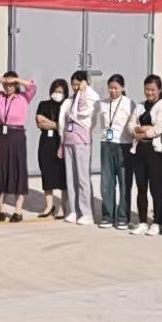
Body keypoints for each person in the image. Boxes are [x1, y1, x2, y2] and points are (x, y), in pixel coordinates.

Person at [0, 71, 38, 223]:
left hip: (17, 135)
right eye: (6, 84)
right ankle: (2, 209)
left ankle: (18, 210)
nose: (8, 87)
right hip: (2, 135)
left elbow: (32, 87)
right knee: (1, 169)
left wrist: (16, 79)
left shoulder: (23, 97)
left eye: (11, 85)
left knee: (18, 170)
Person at [132, 74, 162, 234]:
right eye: (147, 89)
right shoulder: (140, 106)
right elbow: (131, 125)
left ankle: (156, 222)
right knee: (141, 186)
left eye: (153, 89)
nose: (149, 92)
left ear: (159, 89)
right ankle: (142, 221)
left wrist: (143, 133)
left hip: (155, 152)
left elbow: (159, 128)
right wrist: (139, 129)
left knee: (156, 188)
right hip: (140, 150)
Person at [96, 74, 137, 229]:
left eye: (116, 88)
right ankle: (107, 215)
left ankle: (123, 216)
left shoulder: (129, 103)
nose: (113, 91)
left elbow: (133, 124)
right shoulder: (103, 104)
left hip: (123, 145)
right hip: (106, 144)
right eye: (110, 88)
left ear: (122, 88)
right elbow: (101, 124)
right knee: (106, 182)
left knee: (124, 182)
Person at [59, 70, 99, 225]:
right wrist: (62, 143)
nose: (75, 87)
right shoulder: (70, 100)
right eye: (73, 84)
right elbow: (64, 121)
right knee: (70, 178)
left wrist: (83, 91)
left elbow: (84, 112)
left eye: (78, 84)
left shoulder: (91, 96)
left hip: (82, 140)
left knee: (83, 178)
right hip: (68, 140)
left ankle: (87, 212)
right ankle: (74, 210)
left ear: (85, 82)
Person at [35, 78, 69, 218]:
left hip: (61, 142)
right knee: (47, 173)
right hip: (46, 142)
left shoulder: (67, 106)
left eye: (60, 91)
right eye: (55, 91)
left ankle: (62, 206)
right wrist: (57, 125)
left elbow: (66, 125)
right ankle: (49, 206)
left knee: (62, 175)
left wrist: (48, 123)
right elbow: (39, 121)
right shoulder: (43, 104)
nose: (57, 94)